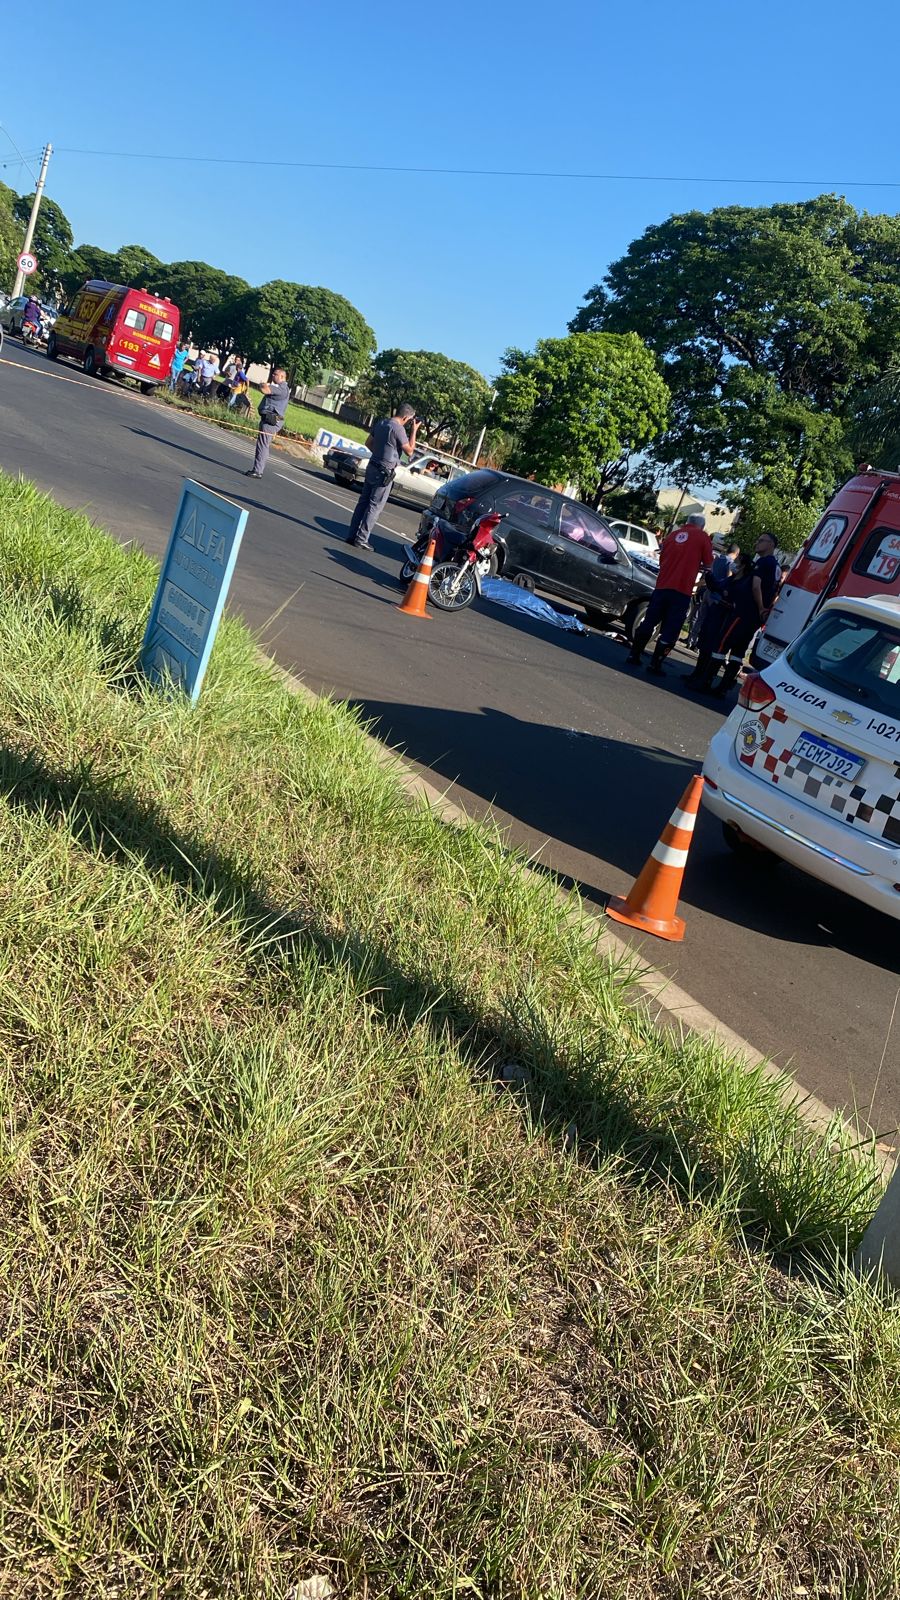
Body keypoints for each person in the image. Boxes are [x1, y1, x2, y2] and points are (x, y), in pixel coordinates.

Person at [626, 512, 714, 674]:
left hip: (662, 586)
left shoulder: (672, 535)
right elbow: (709, 566)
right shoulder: (702, 537)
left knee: (649, 621)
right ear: (701, 525)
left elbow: (662, 559)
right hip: (681, 590)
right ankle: (655, 663)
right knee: (671, 628)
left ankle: (634, 654)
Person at [346, 403, 419, 549]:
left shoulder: (382, 423)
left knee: (363, 502)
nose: (410, 423)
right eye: (410, 420)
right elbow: (410, 451)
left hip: (373, 465)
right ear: (405, 417)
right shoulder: (398, 428)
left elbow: (368, 443)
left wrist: (379, 453)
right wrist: (414, 431)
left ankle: (352, 535)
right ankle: (362, 539)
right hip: (385, 471)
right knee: (374, 506)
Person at [690, 552, 760, 695]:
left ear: (743, 566)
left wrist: (725, 596)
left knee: (716, 650)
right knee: (705, 644)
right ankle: (697, 675)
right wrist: (709, 575)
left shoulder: (744, 583)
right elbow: (718, 586)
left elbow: (733, 598)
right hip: (715, 614)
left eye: (738, 562)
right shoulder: (732, 579)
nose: (734, 564)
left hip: (725, 619)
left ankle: (708, 680)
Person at [245, 368, 290, 478]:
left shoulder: (281, 388)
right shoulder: (280, 387)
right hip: (268, 419)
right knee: (262, 444)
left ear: (282, 377)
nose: (273, 375)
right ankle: (257, 469)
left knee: (263, 445)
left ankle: (258, 471)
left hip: (271, 420)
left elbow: (265, 390)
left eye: (275, 374)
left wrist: (262, 385)